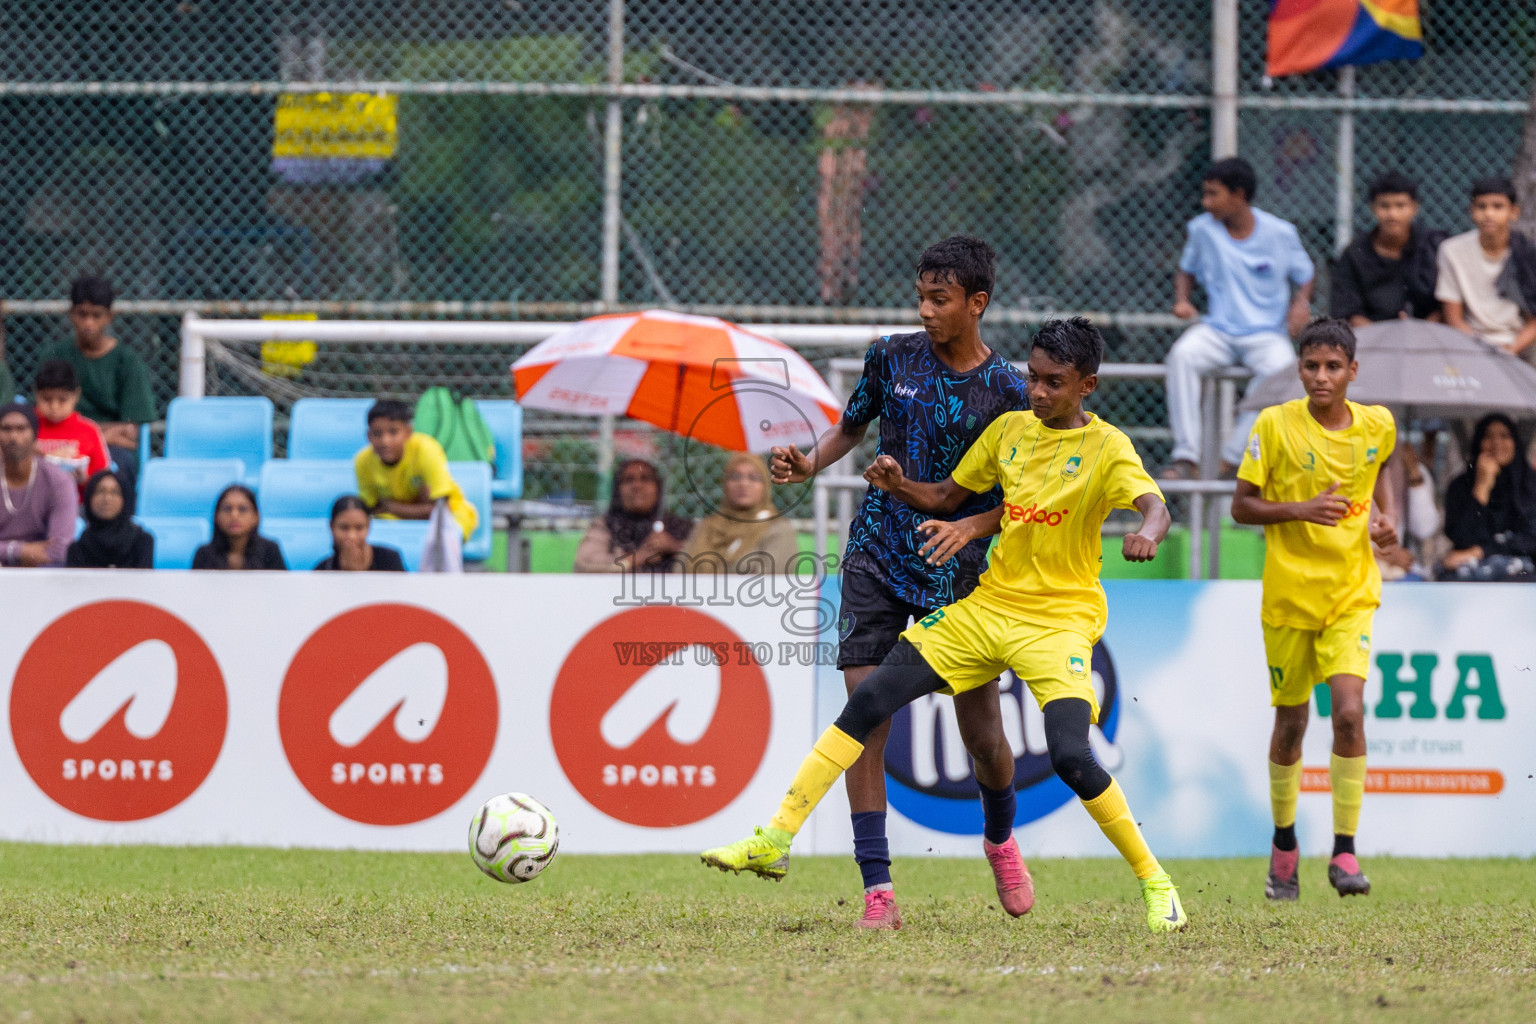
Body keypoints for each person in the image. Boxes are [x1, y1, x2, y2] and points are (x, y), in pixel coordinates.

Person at [708, 317, 1190, 936]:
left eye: (1053, 384)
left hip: (1059, 623)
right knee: (867, 703)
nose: (1037, 392)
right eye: (1033, 378)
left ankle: (1156, 882)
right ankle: (775, 838)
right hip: (987, 609)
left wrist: (1148, 533)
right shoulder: (1010, 429)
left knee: (1069, 754)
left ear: (1086, 386)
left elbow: (1153, 504)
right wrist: (900, 484)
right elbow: (944, 498)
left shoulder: (1109, 447)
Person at [767, 236, 1033, 930]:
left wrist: (972, 530)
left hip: (958, 568)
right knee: (866, 718)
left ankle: (1001, 837)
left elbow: (1023, 496)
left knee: (982, 735)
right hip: (876, 555)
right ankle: (877, 892)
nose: (924, 310)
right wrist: (810, 463)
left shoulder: (1008, 388)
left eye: (938, 299)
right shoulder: (890, 355)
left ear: (977, 303)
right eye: (919, 296)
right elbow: (851, 428)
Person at [1230, 318, 1399, 901]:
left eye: (1333, 367)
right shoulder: (1274, 426)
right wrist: (1301, 508)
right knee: (1292, 724)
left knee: (1349, 714)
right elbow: (1242, 508)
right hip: (1288, 599)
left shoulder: (1377, 424)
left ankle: (1346, 850)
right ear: (1299, 369)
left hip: (1351, 594)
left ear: (1353, 371)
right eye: (1311, 366)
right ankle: (1284, 845)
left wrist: (1385, 513)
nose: (1321, 377)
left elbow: (1388, 462)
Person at [1164, 157, 1316, 479]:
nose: (1206, 203)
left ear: (1239, 195)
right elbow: (1185, 270)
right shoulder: (1201, 229)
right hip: (1217, 329)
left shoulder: (1280, 233)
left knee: (1283, 372)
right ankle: (1186, 455)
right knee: (1182, 356)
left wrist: (1300, 304)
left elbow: (1306, 275)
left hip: (1266, 334)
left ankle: (1232, 458)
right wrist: (1182, 301)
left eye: (1213, 194)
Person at [37, 277, 157, 483]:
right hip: (54, 442)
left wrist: (88, 437)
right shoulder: (54, 354)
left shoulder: (127, 361)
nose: (88, 323)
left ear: (109, 317)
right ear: (72, 314)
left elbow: (130, 432)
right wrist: (103, 432)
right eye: (82, 315)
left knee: (119, 465)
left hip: (111, 448)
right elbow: (42, 412)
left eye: (96, 315)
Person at [1436, 177, 1536, 365]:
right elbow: (1454, 318)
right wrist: (1482, 349)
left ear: (1514, 212)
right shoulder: (1451, 250)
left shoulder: (1528, 253)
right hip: (1469, 343)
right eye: (1482, 206)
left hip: (1519, 345)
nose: (1489, 213)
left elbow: (1534, 322)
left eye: (1498, 206)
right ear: (1472, 211)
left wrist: (1511, 349)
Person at [1330, 172, 1445, 325]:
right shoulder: (1355, 254)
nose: (1392, 214)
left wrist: (1421, 333)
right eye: (1385, 206)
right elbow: (1348, 311)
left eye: (1400, 205)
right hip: (1373, 339)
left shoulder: (1435, 246)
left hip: (1432, 336)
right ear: (1373, 208)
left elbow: (1447, 304)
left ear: (1414, 208)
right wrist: (1384, 338)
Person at [356, 399, 478, 541]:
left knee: (446, 536)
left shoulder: (427, 450)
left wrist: (392, 506)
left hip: (451, 514)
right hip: (396, 520)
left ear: (408, 432)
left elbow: (440, 509)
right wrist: (421, 507)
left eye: (393, 432)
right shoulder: (362, 461)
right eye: (377, 434)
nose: (385, 441)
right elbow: (372, 508)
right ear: (368, 436)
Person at [1440, 413, 1536, 579]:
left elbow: (1530, 540)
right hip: (1471, 575)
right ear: (1478, 443)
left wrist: (1481, 551)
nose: (1496, 443)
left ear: (1515, 442)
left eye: (1504, 436)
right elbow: (1461, 537)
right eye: (1488, 436)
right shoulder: (1460, 486)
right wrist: (1481, 487)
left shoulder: (1530, 484)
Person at [682, 454, 799, 573]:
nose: (743, 483)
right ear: (725, 484)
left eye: (753, 478)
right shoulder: (706, 527)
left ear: (765, 486)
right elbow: (680, 572)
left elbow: (771, 582)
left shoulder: (778, 529)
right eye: (735, 477)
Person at [574, 459, 693, 573]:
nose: (637, 486)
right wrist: (638, 557)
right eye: (629, 480)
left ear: (658, 488)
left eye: (645, 479)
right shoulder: (605, 525)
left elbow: (707, 562)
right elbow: (584, 564)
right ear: (617, 489)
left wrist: (674, 546)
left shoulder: (681, 527)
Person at [0, 402, 78, 567]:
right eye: (6, 429)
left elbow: (60, 550)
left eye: (21, 429)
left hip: (41, 569)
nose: (13, 437)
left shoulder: (58, 481)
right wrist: (22, 551)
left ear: (35, 435)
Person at [33, 358, 110, 492]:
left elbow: (103, 481)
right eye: (47, 399)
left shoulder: (88, 430)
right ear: (36, 394)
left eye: (62, 400)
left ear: (76, 395)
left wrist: (84, 479)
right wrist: (48, 459)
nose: (54, 407)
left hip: (77, 504)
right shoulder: (25, 425)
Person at [67, 469, 153, 569]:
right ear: (89, 498)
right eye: (100, 491)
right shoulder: (78, 549)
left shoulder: (142, 543)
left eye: (115, 492)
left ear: (125, 498)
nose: (107, 498)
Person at [192, 484, 287, 570]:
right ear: (216, 516)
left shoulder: (270, 551)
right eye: (227, 509)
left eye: (242, 509)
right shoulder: (204, 554)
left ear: (256, 517)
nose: (234, 515)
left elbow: (283, 586)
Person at [314, 495, 406, 571]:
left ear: (369, 526)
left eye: (359, 528)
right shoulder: (323, 570)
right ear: (332, 527)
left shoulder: (390, 560)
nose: (352, 536)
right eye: (344, 528)